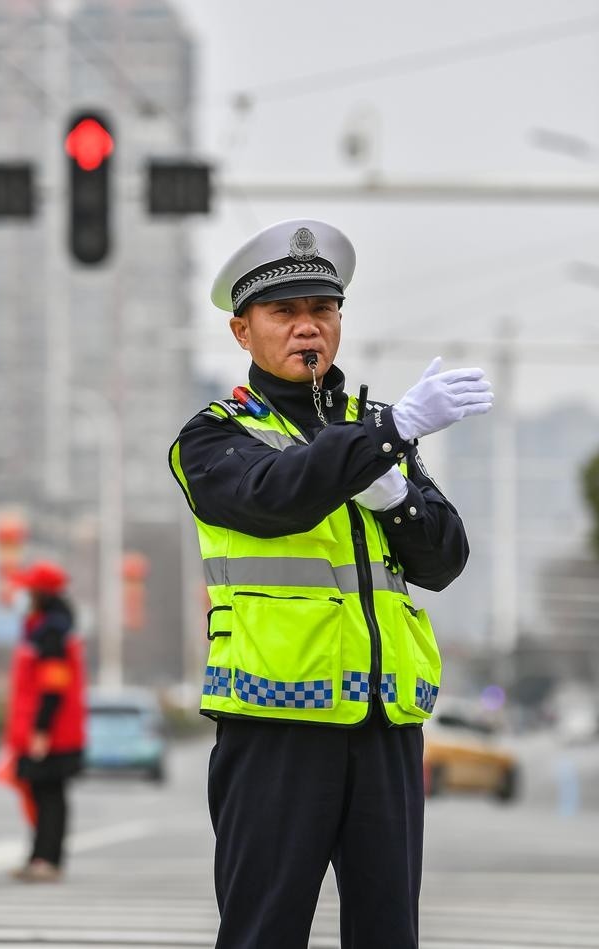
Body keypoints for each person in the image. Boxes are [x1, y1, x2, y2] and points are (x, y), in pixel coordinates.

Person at [169, 219, 493, 948]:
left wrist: (396, 495)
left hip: (384, 723)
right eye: (283, 312)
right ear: (242, 331)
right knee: (263, 930)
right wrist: (389, 435)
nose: (307, 327)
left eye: (323, 309)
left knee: (388, 932)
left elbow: (444, 560)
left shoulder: (375, 428)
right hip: (276, 723)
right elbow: (273, 497)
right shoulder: (215, 435)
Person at [3, 560, 86, 882]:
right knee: (41, 794)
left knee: (49, 796)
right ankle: (39, 856)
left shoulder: (52, 631)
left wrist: (41, 729)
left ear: (40, 593)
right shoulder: (45, 627)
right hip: (46, 729)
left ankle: (48, 859)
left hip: (52, 732)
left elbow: (53, 684)